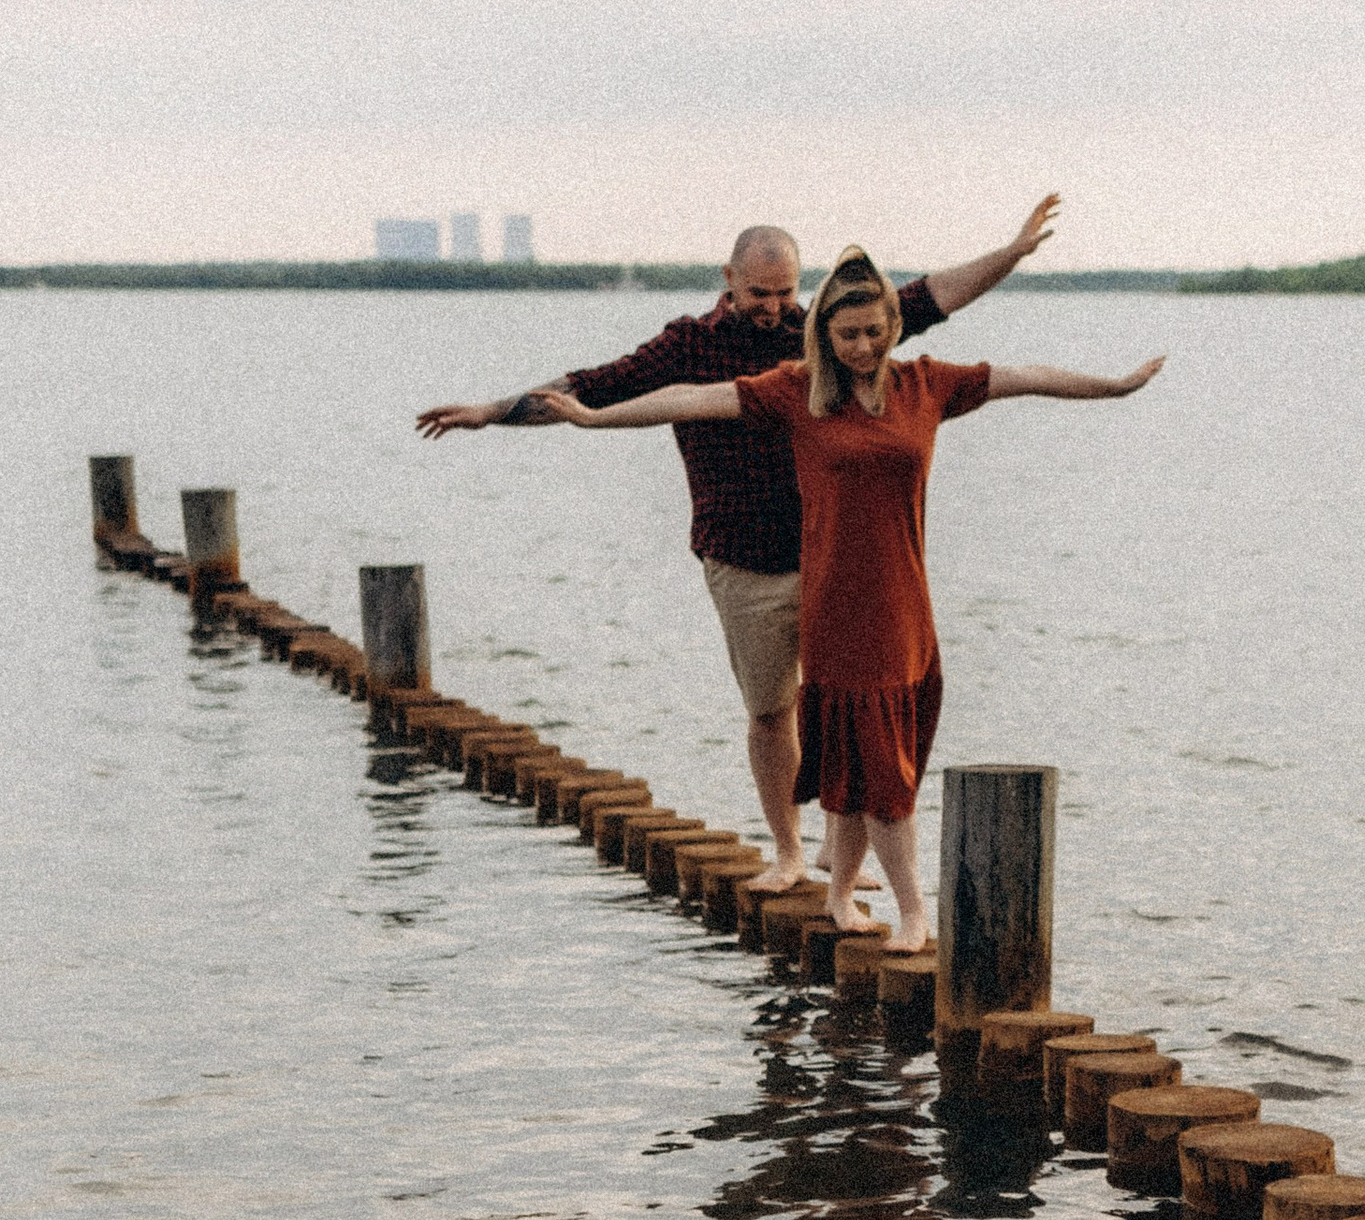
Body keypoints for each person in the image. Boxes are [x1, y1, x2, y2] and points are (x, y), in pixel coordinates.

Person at [529, 248, 1164, 949]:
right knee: (877, 766)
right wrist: (591, 418)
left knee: (876, 761)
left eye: (875, 331)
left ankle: (837, 893)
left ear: (894, 325)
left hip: (903, 604)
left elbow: (1027, 376)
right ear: (824, 336)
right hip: (833, 603)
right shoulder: (797, 393)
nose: (863, 346)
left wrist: (1114, 387)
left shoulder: (928, 384)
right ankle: (915, 912)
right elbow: (689, 396)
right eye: (848, 335)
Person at [415, 199, 1056, 887]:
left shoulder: (821, 331)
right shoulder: (689, 344)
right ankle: (786, 850)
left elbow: (928, 297)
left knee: (843, 702)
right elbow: (592, 389)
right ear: (728, 278)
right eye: (760, 293)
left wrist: (1012, 253)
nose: (775, 308)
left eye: (785, 293)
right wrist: (490, 411)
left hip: (830, 556)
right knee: (771, 708)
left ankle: (837, 853)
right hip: (741, 557)